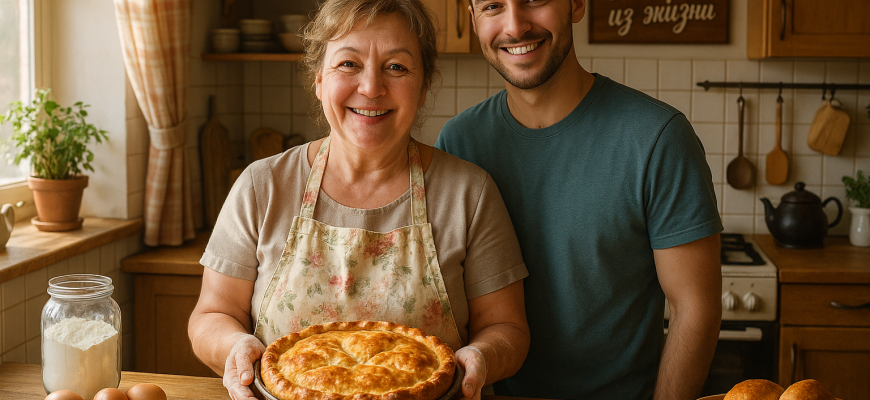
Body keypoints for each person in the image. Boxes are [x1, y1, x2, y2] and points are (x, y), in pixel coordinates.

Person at [188, 1, 530, 400]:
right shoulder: (261, 187)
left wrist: (483, 356)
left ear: (424, 88)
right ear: (319, 80)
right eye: (348, 64)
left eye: (397, 67)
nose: (370, 87)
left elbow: (507, 329)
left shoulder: (468, 193)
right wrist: (234, 348)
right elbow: (213, 315)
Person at [434, 1, 723, 400]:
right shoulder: (459, 142)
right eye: (492, 6)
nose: (515, 26)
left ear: (576, 5)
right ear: (473, 21)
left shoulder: (658, 138)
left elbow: (696, 308)